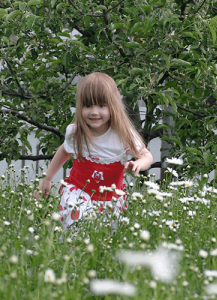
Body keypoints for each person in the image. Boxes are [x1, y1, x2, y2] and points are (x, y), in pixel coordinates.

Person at [34, 72, 153, 230]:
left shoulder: (123, 135)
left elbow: (146, 155)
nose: (94, 112)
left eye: (102, 106)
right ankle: (72, 252)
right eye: (88, 105)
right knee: (75, 220)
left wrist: (139, 163)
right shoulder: (76, 132)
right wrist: (48, 178)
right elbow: (64, 151)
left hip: (111, 197)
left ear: (113, 106)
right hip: (78, 191)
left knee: (106, 235)